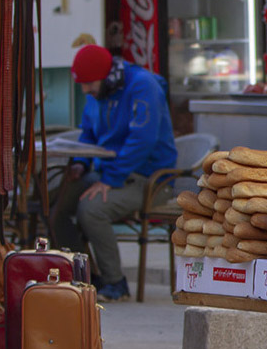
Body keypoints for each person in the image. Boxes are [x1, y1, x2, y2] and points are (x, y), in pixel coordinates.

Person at [51, 44, 178, 302]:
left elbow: (142, 140)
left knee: (92, 209)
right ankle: (83, 276)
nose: (85, 90)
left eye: (89, 84)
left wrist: (111, 179)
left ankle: (115, 283)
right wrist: (80, 164)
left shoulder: (144, 86)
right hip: (107, 170)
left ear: (107, 76)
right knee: (55, 202)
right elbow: (87, 132)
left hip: (148, 179)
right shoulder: (97, 92)